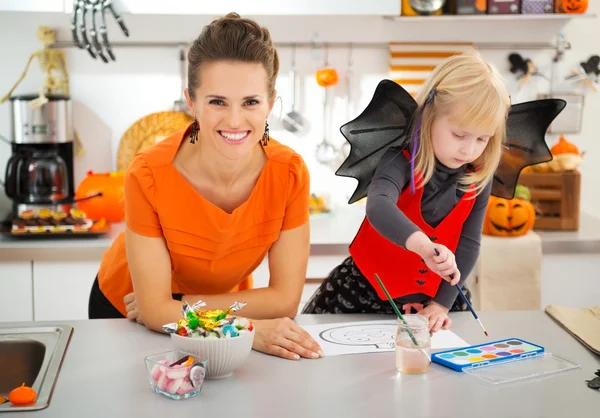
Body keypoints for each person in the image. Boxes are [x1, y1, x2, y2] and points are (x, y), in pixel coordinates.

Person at [88, 12, 324, 361]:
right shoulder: (148, 174)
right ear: (191, 102)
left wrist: (176, 305)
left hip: (216, 315)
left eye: (251, 102)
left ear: (270, 103)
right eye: (217, 102)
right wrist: (248, 327)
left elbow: (285, 300)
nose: (234, 120)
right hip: (127, 315)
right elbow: (152, 313)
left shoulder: (289, 173)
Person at [302, 51, 511, 333]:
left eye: (482, 139)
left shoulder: (478, 178)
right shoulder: (397, 160)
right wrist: (423, 247)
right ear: (428, 117)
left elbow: (469, 244)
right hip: (366, 292)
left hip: (437, 300)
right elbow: (378, 206)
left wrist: (441, 303)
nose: (469, 149)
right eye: (459, 135)